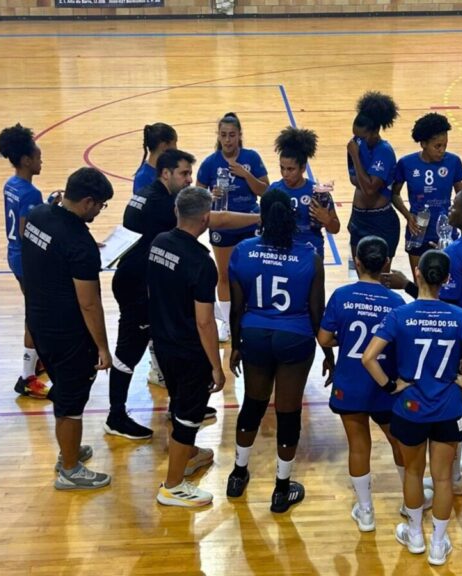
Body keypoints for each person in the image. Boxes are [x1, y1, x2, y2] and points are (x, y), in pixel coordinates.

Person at [107, 149, 260, 440]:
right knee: (130, 351)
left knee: (166, 342)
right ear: (166, 173)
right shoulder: (165, 206)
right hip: (137, 287)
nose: (190, 180)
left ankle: (180, 406)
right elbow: (218, 219)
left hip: (145, 277)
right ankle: (116, 416)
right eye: (184, 174)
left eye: (191, 174)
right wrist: (257, 217)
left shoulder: (146, 192)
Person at [363, 250, 462, 566]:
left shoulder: (400, 315)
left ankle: (415, 535)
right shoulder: (459, 316)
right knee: (444, 478)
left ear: (417, 273)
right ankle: (439, 543)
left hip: (410, 409)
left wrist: (390, 386)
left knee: (414, 474)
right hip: (447, 408)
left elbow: (368, 358)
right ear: (447, 279)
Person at [383, 186, 462, 485]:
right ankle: (456, 472)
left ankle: (453, 475)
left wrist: (406, 285)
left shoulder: (455, 253)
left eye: (454, 207)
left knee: (457, 398)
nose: (449, 209)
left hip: (461, 334)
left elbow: (443, 305)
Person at [226, 189, 333, 513]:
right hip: (295, 337)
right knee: (288, 413)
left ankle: (238, 474)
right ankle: (281, 489)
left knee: (253, 405)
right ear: (292, 218)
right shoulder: (310, 258)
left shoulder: (242, 252)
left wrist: (235, 345)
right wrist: (329, 353)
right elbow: (318, 312)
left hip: (255, 335)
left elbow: (236, 307)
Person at [21, 167, 114, 490]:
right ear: (88, 202)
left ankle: (69, 450)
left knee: (62, 391)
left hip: (38, 321)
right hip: (69, 334)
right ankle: (70, 469)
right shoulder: (79, 243)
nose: (99, 211)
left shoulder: (38, 215)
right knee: (72, 402)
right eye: (100, 205)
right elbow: (89, 303)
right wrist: (102, 347)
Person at [317, 236, 410, 532]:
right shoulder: (396, 301)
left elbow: (323, 338)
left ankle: (366, 512)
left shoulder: (342, 295)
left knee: (358, 446)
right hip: (384, 385)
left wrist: (344, 343)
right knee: (398, 442)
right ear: (386, 265)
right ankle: (410, 503)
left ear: (356, 262)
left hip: (351, 383)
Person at [149, 186, 227, 507]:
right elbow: (205, 322)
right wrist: (216, 366)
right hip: (188, 352)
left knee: (178, 405)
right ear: (206, 218)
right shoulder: (201, 263)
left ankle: (189, 456)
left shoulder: (158, 243)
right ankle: (173, 485)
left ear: (176, 212)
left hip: (163, 345)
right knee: (187, 416)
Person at [196, 113, 269, 342]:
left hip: (249, 222)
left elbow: (265, 191)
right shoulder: (210, 163)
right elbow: (195, 198)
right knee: (224, 274)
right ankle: (227, 323)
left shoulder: (251, 158)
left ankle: (252, 316)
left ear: (240, 136)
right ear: (218, 136)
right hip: (222, 227)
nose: (228, 140)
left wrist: (246, 174)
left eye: (232, 135)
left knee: (252, 273)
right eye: (224, 135)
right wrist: (209, 195)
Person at [0, 123, 50, 400]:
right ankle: (27, 377)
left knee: (35, 311)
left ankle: (36, 357)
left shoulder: (12, 185)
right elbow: (28, 232)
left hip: (13, 254)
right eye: (39, 157)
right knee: (35, 316)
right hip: (26, 260)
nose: (42, 161)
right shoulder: (30, 193)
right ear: (27, 160)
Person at [131, 122, 178, 387]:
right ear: (163, 146)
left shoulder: (150, 172)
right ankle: (156, 366)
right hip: (153, 255)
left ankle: (161, 365)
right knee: (156, 313)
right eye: (173, 145)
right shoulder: (146, 178)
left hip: (162, 250)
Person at [391, 113, 462, 275]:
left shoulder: (453, 162)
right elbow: (394, 194)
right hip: (417, 231)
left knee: (447, 283)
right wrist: (407, 215)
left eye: (445, 145)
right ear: (423, 143)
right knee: (420, 283)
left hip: (446, 233)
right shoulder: (406, 163)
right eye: (437, 146)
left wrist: (458, 219)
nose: (442, 151)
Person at [269, 126, 340, 257]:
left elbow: (335, 228)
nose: (285, 174)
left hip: (311, 254)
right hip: (283, 253)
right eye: (282, 168)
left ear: (303, 168)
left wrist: (327, 220)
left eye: (290, 169)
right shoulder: (274, 190)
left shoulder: (318, 193)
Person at [346, 91, 401, 262]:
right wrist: (365, 179)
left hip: (380, 222)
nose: (357, 140)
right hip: (358, 218)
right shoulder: (355, 144)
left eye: (361, 136)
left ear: (375, 131)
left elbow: (369, 189)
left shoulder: (384, 151)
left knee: (380, 278)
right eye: (355, 135)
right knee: (358, 274)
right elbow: (354, 179)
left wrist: (355, 157)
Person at [133, 122, 178, 193]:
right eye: (174, 143)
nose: (176, 148)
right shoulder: (143, 177)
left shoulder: (171, 168)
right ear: (164, 146)